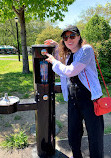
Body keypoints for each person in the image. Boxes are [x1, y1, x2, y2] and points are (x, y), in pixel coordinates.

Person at [44, 26, 104, 158]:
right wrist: (55, 46)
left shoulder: (86, 50)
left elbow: (70, 71)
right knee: (73, 134)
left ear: (79, 37)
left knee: (95, 136)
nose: (69, 39)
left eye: (72, 36)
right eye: (65, 37)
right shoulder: (70, 55)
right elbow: (63, 66)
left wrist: (53, 61)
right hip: (74, 99)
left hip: (90, 99)